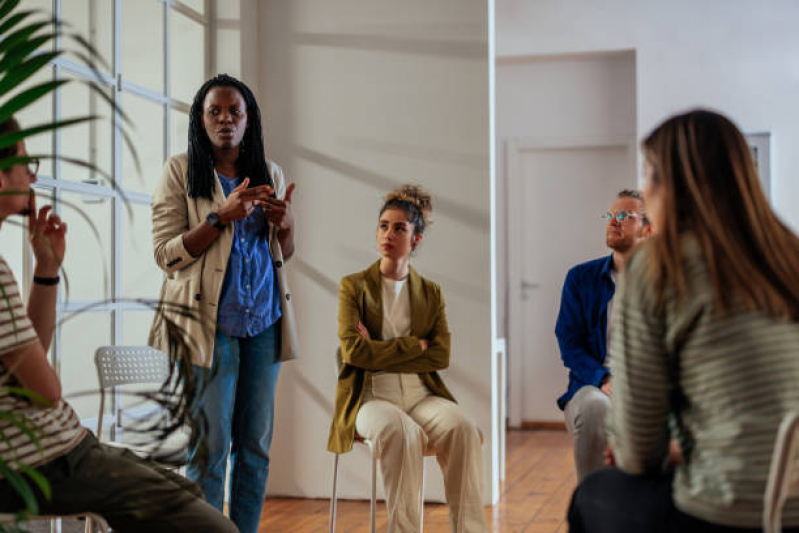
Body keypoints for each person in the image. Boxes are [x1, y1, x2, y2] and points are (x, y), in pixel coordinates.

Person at [0, 117, 237, 532]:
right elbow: (45, 391)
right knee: (216, 529)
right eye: (24, 163)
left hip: (63, 450)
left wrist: (47, 271)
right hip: (45, 463)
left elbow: (26, 369)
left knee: (187, 495)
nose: (33, 174)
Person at [567, 109, 799, 533]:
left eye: (648, 177)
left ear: (665, 186)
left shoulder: (658, 266)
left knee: (591, 496)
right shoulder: (788, 255)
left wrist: (660, 450)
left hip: (736, 510)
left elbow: (636, 453)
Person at [148, 74, 299, 533]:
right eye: (215, 111)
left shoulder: (270, 173)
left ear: (249, 119)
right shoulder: (180, 171)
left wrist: (288, 225)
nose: (225, 120)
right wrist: (220, 216)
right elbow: (165, 255)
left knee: (254, 449)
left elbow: (280, 253)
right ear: (200, 119)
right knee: (209, 450)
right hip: (206, 330)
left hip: (264, 325)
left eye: (235, 111)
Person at [328, 185, 488, 533]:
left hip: (420, 393)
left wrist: (380, 352)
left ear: (415, 239)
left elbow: (441, 355)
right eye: (384, 225)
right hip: (370, 395)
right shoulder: (353, 286)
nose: (389, 234)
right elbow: (355, 352)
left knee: (463, 428)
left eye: (400, 228)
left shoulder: (430, 293)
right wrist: (414, 347)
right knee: (403, 432)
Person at [554, 189, 651, 482]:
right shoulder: (580, 278)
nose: (613, 222)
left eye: (624, 216)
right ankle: (595, 509)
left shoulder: (666, 280)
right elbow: (569, 343)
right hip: (594, 386)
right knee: (597, 408)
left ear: (648, 228)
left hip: (648, 388)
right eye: (610, 215)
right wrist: (605, 380)